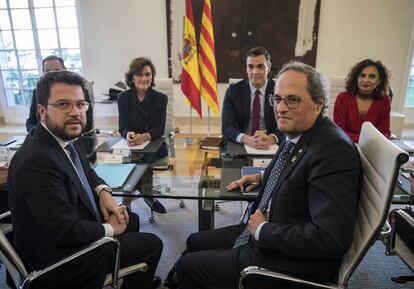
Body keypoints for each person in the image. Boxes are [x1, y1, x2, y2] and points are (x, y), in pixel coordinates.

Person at [172, 61, 361, 289]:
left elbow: (329, 238)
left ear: (319, 104)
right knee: (194, 241)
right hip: (272, 230)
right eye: (277, 99)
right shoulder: (300, 132)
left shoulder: (333, 151)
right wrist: (262, 177)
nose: (280, 108)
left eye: (292, 100)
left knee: (188, 267)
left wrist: (263, 230)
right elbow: (301, 172)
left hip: (290, 258)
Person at [8, 71, 163, 289]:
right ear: (42, 111)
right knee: (152, 244)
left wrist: (103, 192)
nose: (75, 112)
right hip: (61, 263)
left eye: (80, 104)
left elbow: (87, 170)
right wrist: (109, 229)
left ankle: (129, 275)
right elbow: (66, 232)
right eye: (63, 104)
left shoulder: (66, 135)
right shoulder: (36, 162)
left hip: (65, 227)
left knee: (132, 219)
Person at [117, 57, 168, 213]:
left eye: (148, 74)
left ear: (152, 77)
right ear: (132, 77)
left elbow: (160, 129)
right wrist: (129, 134)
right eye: (139, 74)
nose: (144, 78)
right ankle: (148, 195)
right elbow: (122, 128)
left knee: (139, 161)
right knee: (135, 158)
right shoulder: (123, 98)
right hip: (131, 145)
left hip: (154, 145)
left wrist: (145, 136)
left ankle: (126, 202)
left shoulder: (160, 98)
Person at [221, 47, 284, 149]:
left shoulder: (280, 90)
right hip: (242, 143)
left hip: (271, 145)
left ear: (269, 67)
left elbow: (288, 124)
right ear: (246, 68)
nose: (255, 72)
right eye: (250, 66)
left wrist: (271, 138)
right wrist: (247, 139)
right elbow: (227, 128)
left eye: (260, 67)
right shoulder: (233, 91)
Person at [25, 55, 94, 135]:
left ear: (65, 70)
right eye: (48, 71)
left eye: (57, 70)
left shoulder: (80, 91)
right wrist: (37, 135)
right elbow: (31, 121)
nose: (52, 75)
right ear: (43, 72)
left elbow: (88, 120)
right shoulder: (37, 92)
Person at [334, 59, 391, 143]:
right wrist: (366, 139)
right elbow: (338, 131)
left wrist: (367, 141)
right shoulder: (342, 98)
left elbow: (384, 132)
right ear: (356, 78)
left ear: (379, 81)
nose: (366, 80)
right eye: (362, 75)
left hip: (372, 147)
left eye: (372, 76)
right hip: (346, 144)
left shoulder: (384, 100)